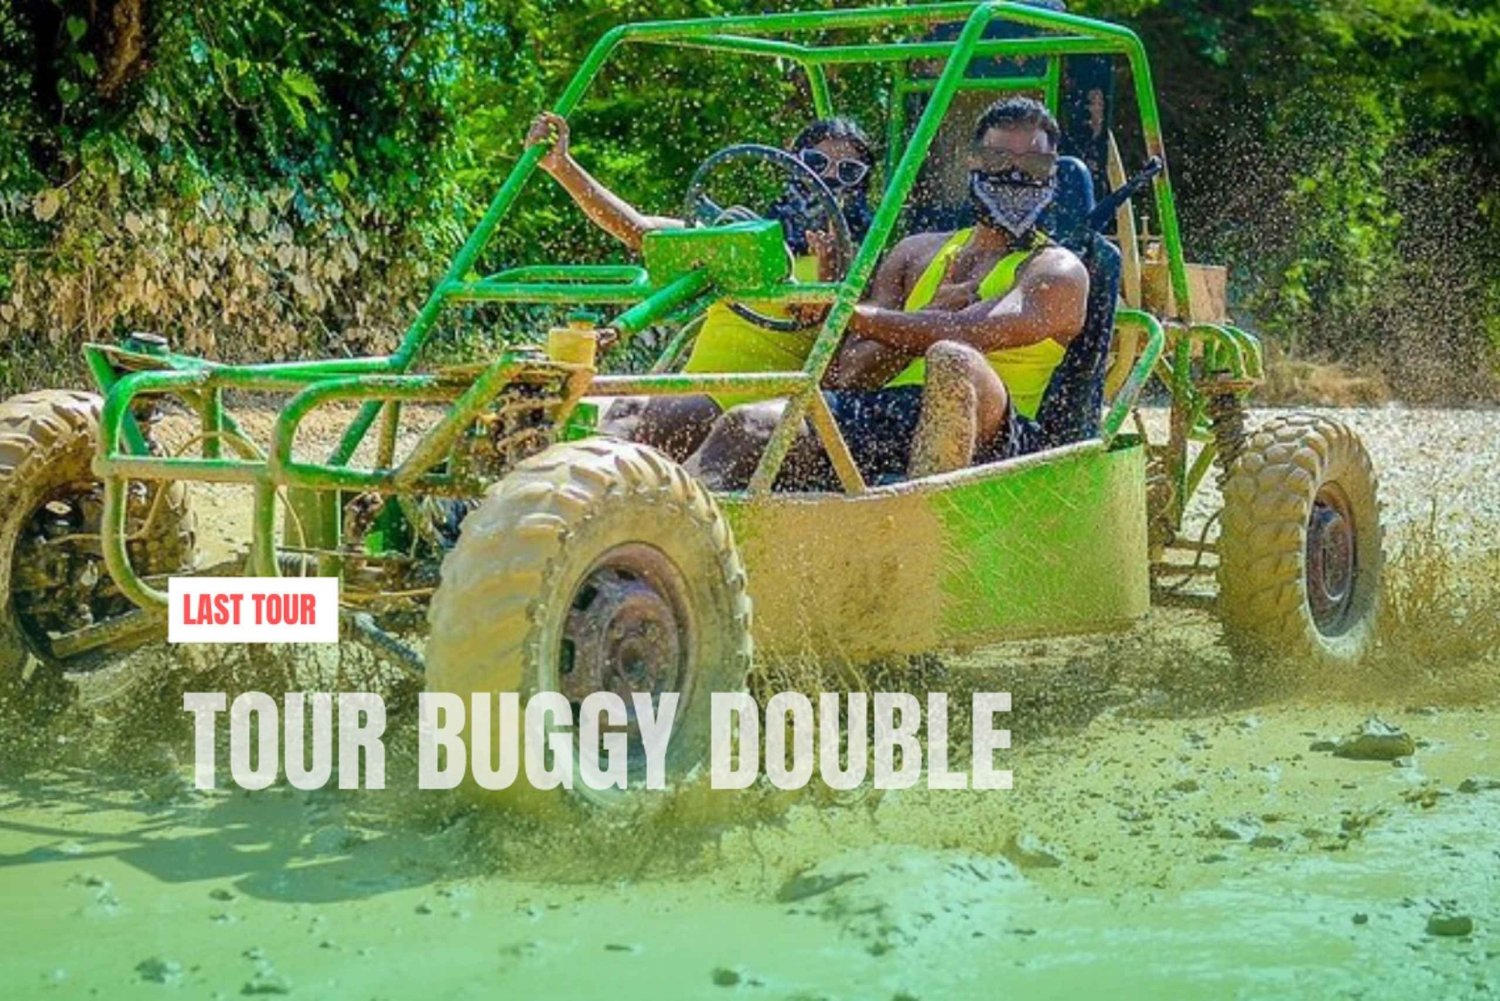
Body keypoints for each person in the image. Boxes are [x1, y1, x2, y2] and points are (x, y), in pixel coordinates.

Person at [688, 96, 1088, 489]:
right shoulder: (915, 252)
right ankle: (664, 527)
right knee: (747, 425)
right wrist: (917, 317)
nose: (1015, 176)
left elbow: (973, 331)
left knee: (952, 358)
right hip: (891, 414)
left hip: (998, 436)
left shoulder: (1056, 269)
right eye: (1000, 160)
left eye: (1033, 165)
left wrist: (847, 314)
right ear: (974, 161)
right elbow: (846, 375)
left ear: (1051, 173)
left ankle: (927, 521)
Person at [523, 112, 876, 460]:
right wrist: (562, 167)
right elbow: (642, 233)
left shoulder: (864, 263)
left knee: (637, 414)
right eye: (816, 161)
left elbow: (849, 364)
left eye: (848, 171)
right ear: (794, 162)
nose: (828, 176)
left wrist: (831, 282)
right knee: (589, 411)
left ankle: (580, 497)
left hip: (760, 397)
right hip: (695, 386)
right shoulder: (747, 238)